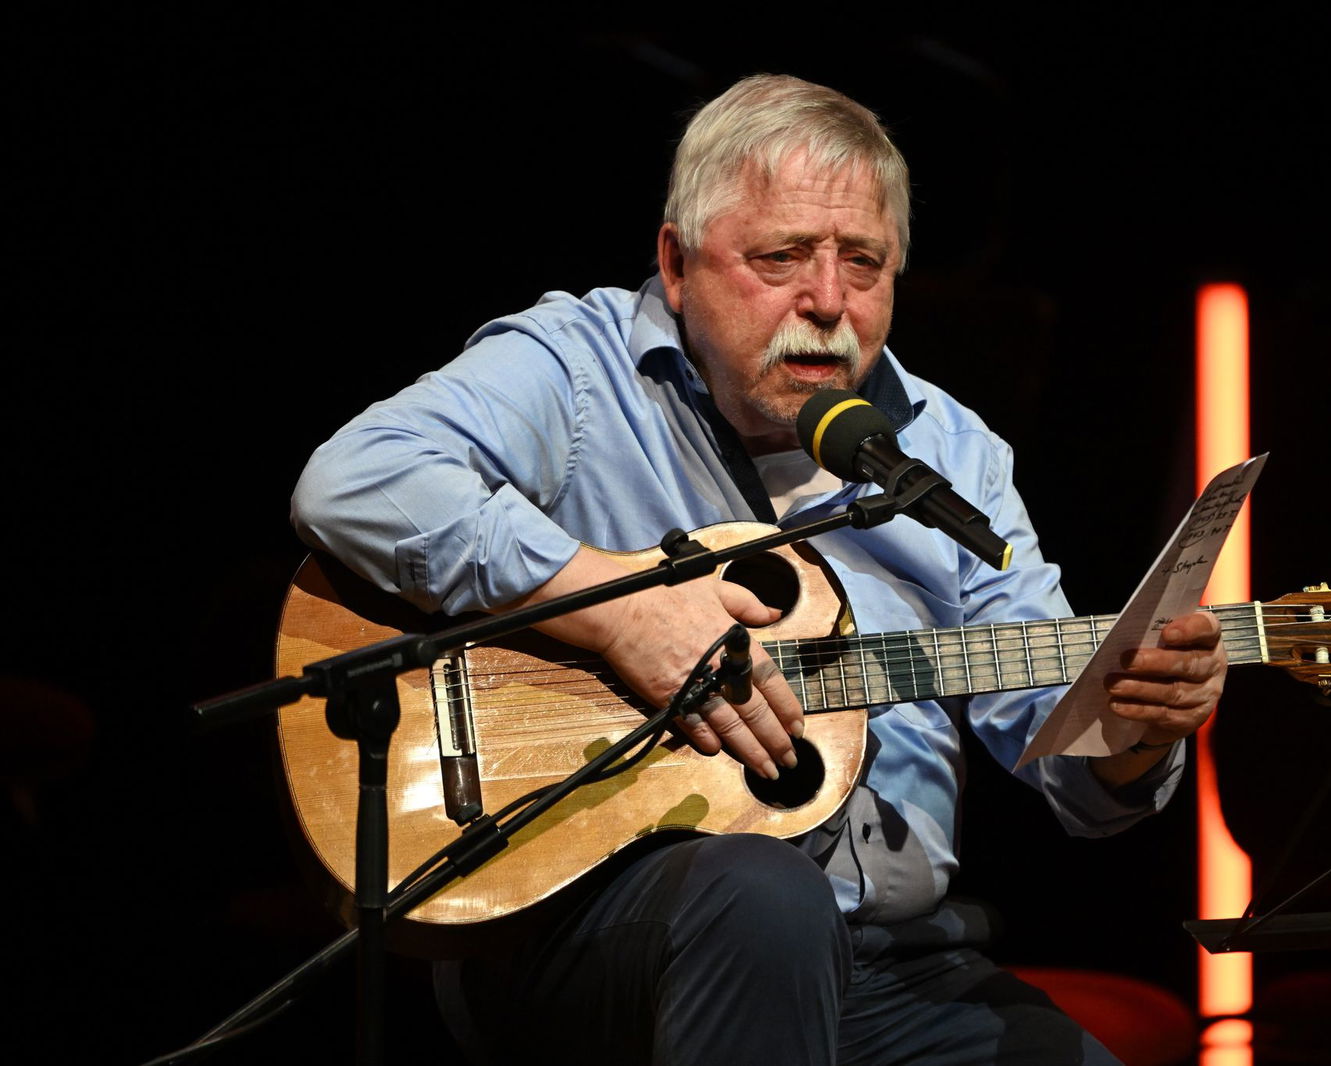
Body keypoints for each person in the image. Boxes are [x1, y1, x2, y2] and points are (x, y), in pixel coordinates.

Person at [292, 74, 1225, 1066]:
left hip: (886, 962)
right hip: (582, 931)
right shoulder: (577, 369)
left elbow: (1075, 778)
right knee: (762, 895)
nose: (825, 302)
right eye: (780, 257)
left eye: (862, 264)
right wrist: (616, 617)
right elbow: (356, 480)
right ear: (678, 261)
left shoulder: (952, 454)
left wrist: (1131, 725)